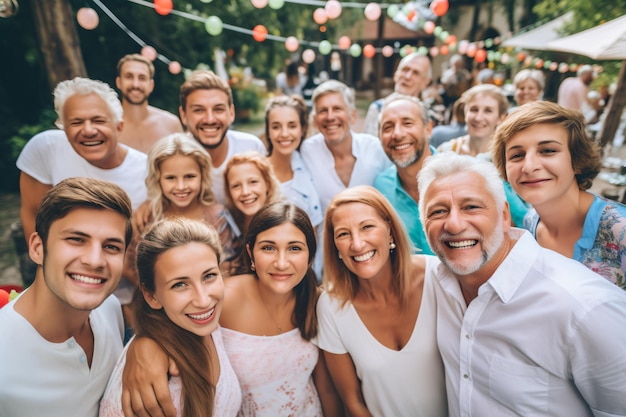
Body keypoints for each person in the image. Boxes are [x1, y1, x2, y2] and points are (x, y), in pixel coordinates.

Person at [418, 152, 626, 416]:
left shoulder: (585, 307)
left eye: (471, 206)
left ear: (504, 215)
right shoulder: (434, 283)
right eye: (438, 211)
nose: (455, 224)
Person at [114, 203, 344, 417]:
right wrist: (144, 345)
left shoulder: (316, 301)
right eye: (268, 248)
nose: (281, 262)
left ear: (310, 256)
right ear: (251, 253)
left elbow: (326, 388)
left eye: (294, 248)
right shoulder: (220, 298)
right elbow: (172, 321)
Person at [0, 177, 133, 417]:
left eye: (111, 246)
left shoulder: (110, 308)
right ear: (38, 248)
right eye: (76, 239)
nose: (94, 260)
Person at [317, 185, 447, 416]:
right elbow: (353, 401)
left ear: (389, 230)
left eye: (367, 227)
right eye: (343, 234)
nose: (357, 244)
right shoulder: (331, 307)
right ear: (335, 246)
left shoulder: (438, 276)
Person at [99, 218, 242, 417]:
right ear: (152, 296)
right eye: (180, 285)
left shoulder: (211, 324)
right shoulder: (155, 384)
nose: (203, 300)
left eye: (209, 276)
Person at [492, 100, 626, 289]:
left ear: (578, 161)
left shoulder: (621, 231)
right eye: (516, 155)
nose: (529, 166)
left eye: (548, 151)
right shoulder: (531, 222)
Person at [16, 77, 147, 243]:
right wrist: (44, 263)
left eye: (98, 120)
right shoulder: (45, 149)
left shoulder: (148, 171)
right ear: (64, 129)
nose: (89, 130)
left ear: (118, 127)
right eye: (76, 122)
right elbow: (33, 213)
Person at [133, 70, 267, 231]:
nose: (210, 119)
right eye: (199, 110)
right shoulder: (173, 155)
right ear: (183, 115)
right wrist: (151, 203)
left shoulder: (250, 147)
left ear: (231, 113)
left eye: (218, 109)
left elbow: (270, 193)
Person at [123, 133, 239, 286]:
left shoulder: (218, 217)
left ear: (202, 175)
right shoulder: (146, 218)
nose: (181, 186)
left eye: (189, 176)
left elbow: (228, 268)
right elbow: (128, 267)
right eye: (170, 178)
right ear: (158, 179)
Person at [436, 84, 529, 226]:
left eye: (488, 111)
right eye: (474, 109)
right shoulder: (446, 151)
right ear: (465, 112)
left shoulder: (509, 158)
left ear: (501, 118)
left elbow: (523, 213)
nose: (479, 117)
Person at [301, 80, 391, 214]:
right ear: (314, 120)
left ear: (352, 116)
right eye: (323, 110)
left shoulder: (375, 149)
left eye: (337, 109)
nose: (330, 117)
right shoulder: (306, 151)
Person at [373, 93, 435, 255]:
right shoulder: (380, 188)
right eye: (388, 127)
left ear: (428, 129)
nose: (397, 134)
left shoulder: (465, 175)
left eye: (407, 123)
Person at [264, 95, 323, 229]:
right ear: (268, 131)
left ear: (302, 129)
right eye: (276, 127)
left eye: (292, 126)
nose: (284, 133)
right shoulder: (257, 172)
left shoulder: (309, 166)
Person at [115, 54, 183, 153]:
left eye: (142, 78)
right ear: (119, 82)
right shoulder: (108, 125)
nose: (135, 84)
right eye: (129, 77)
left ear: (151, 85)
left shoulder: (171, 124)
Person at [362, 53, 432, 136]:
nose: (407, 76)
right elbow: (369, 145)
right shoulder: (378, 108)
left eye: (416, 73)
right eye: (405, 69)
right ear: (396, 74)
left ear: (426, 82)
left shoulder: (430, 114)